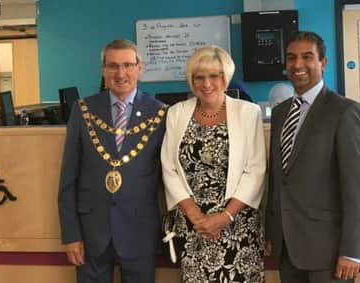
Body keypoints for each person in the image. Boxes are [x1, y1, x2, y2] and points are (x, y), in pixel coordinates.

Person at [265, 31, 360, 283]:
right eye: (291, 58)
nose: (298, 65)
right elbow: (278, 177)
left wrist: (353, 251)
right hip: (287, 248)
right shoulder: (280, 113)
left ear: (323, 63)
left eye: (307, 57)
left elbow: (358, 186)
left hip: (330, 252)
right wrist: (272, 231)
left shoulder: (344, 112)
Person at [58, 39, 167, 283]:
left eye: (128, 65)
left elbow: (167, 176)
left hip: (139, 229)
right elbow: (68, 178)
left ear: (140, 67)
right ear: (103, 70)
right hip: (91, 231)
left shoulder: (160, 113)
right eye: (113, 66)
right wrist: (71, 234)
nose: (121, 73)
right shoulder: (83, 109)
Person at [161, 45, 266, 282]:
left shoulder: (248, 112)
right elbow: (168, 167)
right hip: (193, 225)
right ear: (191, 80)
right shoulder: (176, 113)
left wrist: (225, 216)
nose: (206, 84)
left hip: (237, 224)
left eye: (214, 76)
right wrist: (195, 215)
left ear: (225, 78)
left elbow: (256, 170)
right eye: (199, 77)